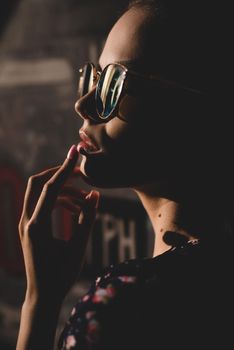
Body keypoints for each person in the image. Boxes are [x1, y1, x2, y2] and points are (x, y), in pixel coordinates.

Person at [16, 0, 233, 349]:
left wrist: (39, 303)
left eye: (115, 83)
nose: (83, 105)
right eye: (96, 78)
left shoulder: (124, 307)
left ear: (193, 115)